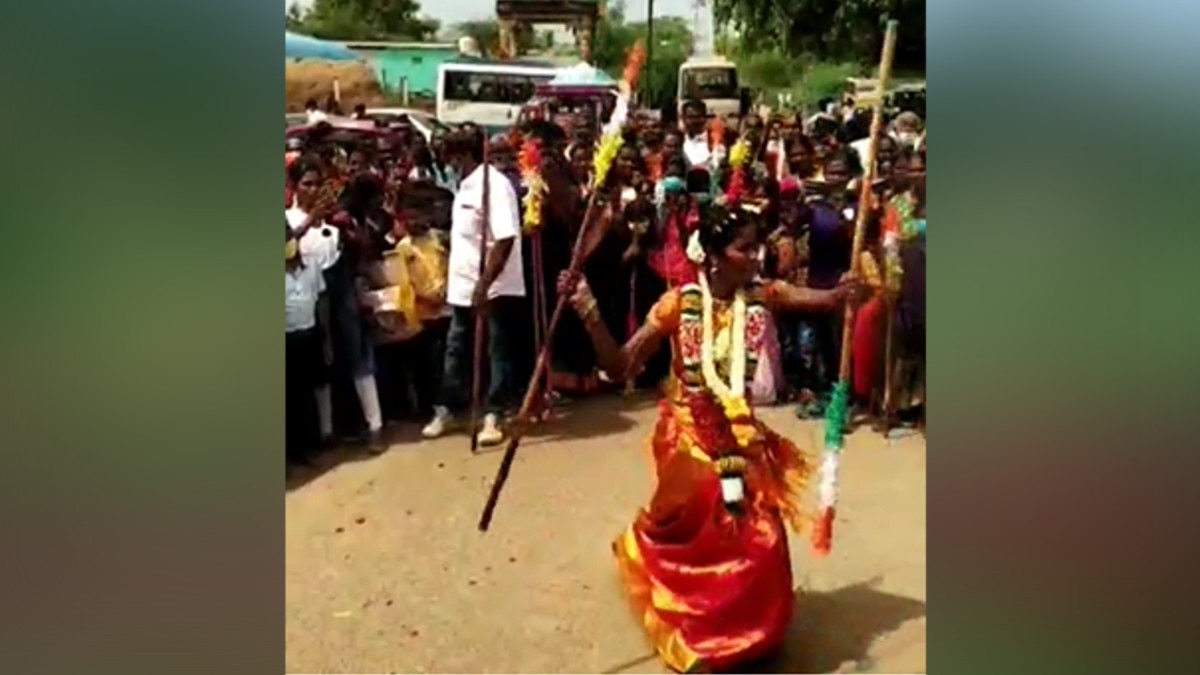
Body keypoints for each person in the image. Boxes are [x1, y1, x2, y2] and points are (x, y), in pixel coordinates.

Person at [556, 203, 858, 673]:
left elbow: (825, 299)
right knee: (707, 498)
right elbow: (619, 367)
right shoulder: (677, 304)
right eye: (745, 248)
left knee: (760, 529)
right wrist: (589, 312)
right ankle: (691, 618)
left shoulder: (765, 294)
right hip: (687, 429)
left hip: (742, 429)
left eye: (758, 245)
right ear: (715, 256)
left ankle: (750, 633)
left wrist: (849, 289)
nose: (758, 256)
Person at [422, 128, 525, 446]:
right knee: (457, 348)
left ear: (460, 156)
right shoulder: (463, 186)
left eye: (448, 157)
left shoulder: (493, 186)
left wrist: (485, 283)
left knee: (497, 349)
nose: (446, 164)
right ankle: (449, 407)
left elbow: (505, 238)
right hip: (463, 286)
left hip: (493, 286)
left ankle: (494, 414)